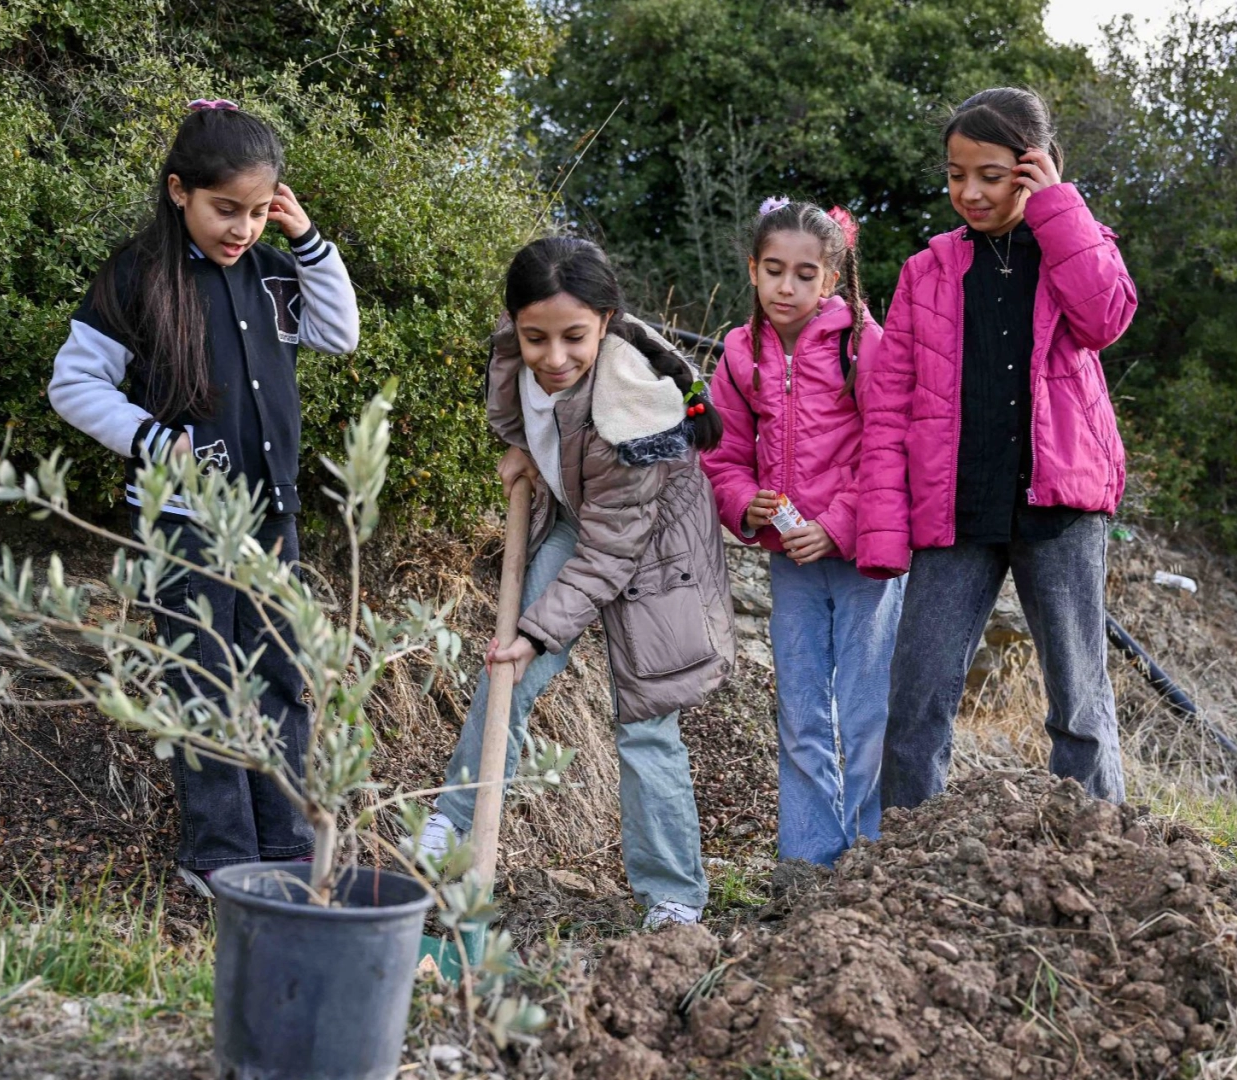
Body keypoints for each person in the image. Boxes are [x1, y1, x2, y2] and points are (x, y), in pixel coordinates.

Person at [47, 100, 359, 894]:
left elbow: (339, 333)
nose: (242, 227)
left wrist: (306, 239)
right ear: (179, 189)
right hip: (186, 523)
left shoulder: (275, 270)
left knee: (280, 676)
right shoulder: (136, 275)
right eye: (227, 209)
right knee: (204, 678)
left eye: (259, 210)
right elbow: (73, 383)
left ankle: (285, 842)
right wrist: (152, 440)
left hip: (272, 519)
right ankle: (218, 855)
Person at [417, 236, 735, 929]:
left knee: (645, 723)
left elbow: (609, 551)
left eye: (573, 338)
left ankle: (672, 898)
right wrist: (519, 448)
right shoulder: (514, 350)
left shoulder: (634, 405)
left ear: (607, 321)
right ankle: (451, 825)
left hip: (655, 554)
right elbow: (519, 411)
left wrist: (538, 631)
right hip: (578, 520)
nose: (553, 358)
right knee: (506, 676)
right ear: (513, 324)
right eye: (536, 338)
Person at [857, 87, 1136, 809]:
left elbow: (1105, 317)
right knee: (915, 694)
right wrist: (884, 529)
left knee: (1077, 701)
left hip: (1060, 508)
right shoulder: (926, 272)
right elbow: (886, 408)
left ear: (1033, 167)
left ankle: (1101, 851)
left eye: (990, 174)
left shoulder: (1073, 243)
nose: (969, 192)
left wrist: (1058, 209)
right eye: (955, 174)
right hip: (955, 510)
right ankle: (903, 861)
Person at [700, 198, 903, 864]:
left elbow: (888, 446)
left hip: (863, 557)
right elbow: (722, 456)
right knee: (800, 713)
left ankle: (873, 857)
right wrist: (742, 504)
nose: (786, 287)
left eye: (805, 274)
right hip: (788, 562)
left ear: (832, 277)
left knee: (868, 712)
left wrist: (836, 525)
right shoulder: (737, 353)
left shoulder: (862, 344)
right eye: (774, 270)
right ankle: (809, 862)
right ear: (753, 269)